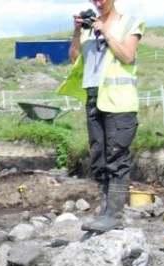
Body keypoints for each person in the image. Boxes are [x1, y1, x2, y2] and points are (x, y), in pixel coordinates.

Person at [59, 0, 144, 234]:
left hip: (119, 101)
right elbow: (74, 57)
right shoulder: (88, 28)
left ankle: (114, 215)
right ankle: (105, 212)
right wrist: (78, 31)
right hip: (94, 99)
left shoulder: (129, 22)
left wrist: (106, 32)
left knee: (116, 157)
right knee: (99, 157)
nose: (98, 3)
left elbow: (127, 56)